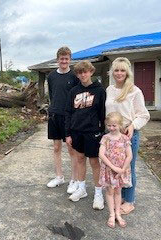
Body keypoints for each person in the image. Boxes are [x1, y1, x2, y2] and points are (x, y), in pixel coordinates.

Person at [106, 57, 150, 215]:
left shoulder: (134, 91)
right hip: (111, 135)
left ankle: (130, 201)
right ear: (112, 72)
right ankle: (121, 196)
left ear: (127, 72)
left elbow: (144, 115)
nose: (119, 73)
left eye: (122, 70)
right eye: (116, 70)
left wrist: (132, 125)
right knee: (115, 168)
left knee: (127, 168)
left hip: (127, 135)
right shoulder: (109, 90)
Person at [65, 60, 105, 210]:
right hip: (76, 132)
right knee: (80, 159)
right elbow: (68, 113)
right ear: (77, 74)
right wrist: (68, 133)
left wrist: (102, 133)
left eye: (85, 71)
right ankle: (82, 189)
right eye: (80, 72)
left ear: (91, 72)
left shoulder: (99, 90)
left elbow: (102, 113)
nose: (83, 74)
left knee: (94, 162)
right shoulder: (73, 91)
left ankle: (98, 194)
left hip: (93, 132)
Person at [46, 46, 80, 194]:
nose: (64, 61)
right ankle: (59, 176)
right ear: (57, 60)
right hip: (54, 115)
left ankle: (74, 179)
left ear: (70, 60)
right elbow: (52, 95)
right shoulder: (51, 76)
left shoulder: (74, 77)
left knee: (71, 149)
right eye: (61, 59)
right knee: (56, 148)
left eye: (66, 59)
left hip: (68, 117)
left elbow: (76, 97)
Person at [99, 112, 132, 228]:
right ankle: (111, 214)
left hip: (121, 171)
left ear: (120, 125)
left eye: (114, 125)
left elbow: (129, 156)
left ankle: (118, 213)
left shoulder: (124, 138)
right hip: (109, 170)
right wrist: (113, 168)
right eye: (109, 125)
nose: (111, 128)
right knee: (109, 191)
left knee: (118, 192)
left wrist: (122, 170)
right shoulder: (105, 138)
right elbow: (101, 154)